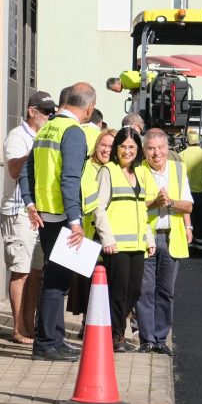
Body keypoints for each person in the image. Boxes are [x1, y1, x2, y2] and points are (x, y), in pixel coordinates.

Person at [19, 82, 96, 361]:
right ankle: (47, 343)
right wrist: (76, 221)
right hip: (63, 216)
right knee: (56, 281)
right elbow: (70, 179)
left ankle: (55, 339)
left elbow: (26, 170)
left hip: (46, 214)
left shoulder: (47, 128)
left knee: (55, 277)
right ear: (89, 108)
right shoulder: (73, 132)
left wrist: (30, 203)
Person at [91, 126, 156, 352]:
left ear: (137, 149)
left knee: (134, 291)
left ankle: (116, 331)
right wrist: (107, 239)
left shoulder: (139, 172)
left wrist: (149, 238)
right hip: (116, 245)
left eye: (131, 147)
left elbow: (142, 210)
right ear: (116, 149)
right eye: (122, 146)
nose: (127, 151)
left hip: (137, 244)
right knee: (118, 292)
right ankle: (116, 336)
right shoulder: (108, 171)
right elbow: (98, 209)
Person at [0, 90, 55, 344]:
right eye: (45, 111)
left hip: (37, 213)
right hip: (18, 212)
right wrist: (35, 150)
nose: (49, 116)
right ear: (31, 111)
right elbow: (13, 170)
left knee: (36, 273)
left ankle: (29, 325)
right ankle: (18, 328)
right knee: (21, 271)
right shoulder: (17, 136)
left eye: (51, 112)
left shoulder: (43, 136)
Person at [136, 128, 193, 355]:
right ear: (144, 151)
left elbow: (188, 205)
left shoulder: (179, 169)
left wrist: (170, 204)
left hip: (171, 237)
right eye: (151, 148)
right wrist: (154, 203)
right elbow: (133, 205)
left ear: (167, 149)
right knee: (144, 290)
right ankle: (147, 339)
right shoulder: (138, 171)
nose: (156, 153)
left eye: (160, 148)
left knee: (166, 292)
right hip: (146, 238)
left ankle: (161, 339)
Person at [67, 128, 117, 322]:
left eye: (110, 146)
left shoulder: (118, 170)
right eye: (102, 145)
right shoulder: (86, 166)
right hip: (88, 232)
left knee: (111, 282)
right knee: (87, 284)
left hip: (112, 233)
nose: (105, 150)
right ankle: (88, 325)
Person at [179, 128, 202, 252]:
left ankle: (188, 243)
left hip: (186, 194)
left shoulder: (182, 155)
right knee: (201, 220)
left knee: (188, 219)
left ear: (187, 141)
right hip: (201, 194)